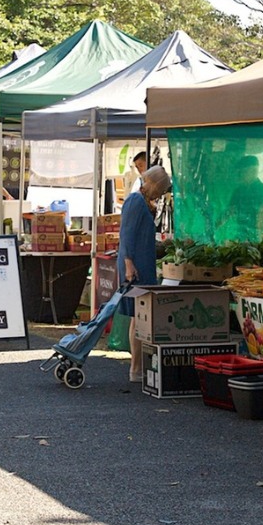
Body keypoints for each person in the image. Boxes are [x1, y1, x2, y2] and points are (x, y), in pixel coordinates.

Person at [117, 164, 172, 384]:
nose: (159, 195)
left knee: (140, 318)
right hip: (136, 265)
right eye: (159, 190)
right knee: (139, 318)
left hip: (140, 263)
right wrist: (129, 264)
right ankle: (136, 368)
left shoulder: (140, 202)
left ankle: (138, 367)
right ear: (152, 184)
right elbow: (126, 234)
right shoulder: (135, 201)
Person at [222, 154, 263, 241]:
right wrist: (215, 227)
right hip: (241, 238)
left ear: (254, 171)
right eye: (239, 172)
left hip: (260, 239)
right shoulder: (238, 192)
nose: (239, 175)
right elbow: (229, 212)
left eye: (243, 172)